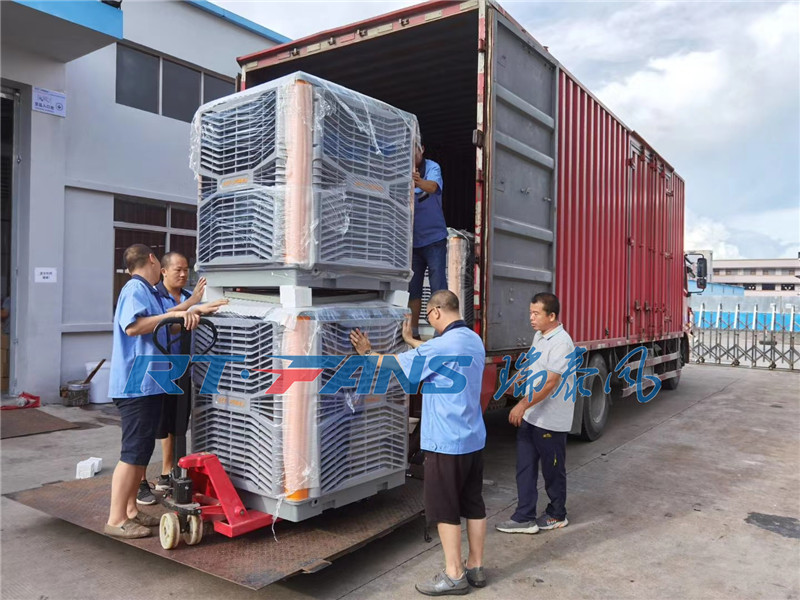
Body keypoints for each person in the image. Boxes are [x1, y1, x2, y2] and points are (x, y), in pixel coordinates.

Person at [351, 290, 487, 595]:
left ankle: (454, 575)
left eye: (429, 318)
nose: (431, 323)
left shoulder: (441, 345)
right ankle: (476, 568)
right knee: (474, 505)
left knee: (445, 510)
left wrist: (367, 353)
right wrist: (412, 340)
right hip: (473, 439)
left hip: (445, 442)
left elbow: (397, 366)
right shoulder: (472, 340)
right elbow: (433, 354)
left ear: (437, 312)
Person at [135, 252, 225, 505]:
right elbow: (159, 322)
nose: (184, 274)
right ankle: (140, 483)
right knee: (149, 429)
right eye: (178, 270)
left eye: (186, 270)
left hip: (183, 369)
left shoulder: (187, 298)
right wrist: (194, 303)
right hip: (155, 370)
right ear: (163, 270)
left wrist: (195, 303)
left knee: (176, 425)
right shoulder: (154, 297)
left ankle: (167, 474)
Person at [496, 293, 575, 535]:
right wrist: (514, 380)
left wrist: (521, 405)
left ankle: (557, 514)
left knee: (552, 470)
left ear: (552, 316)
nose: (531, 318)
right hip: (532, 416)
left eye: (536, 314)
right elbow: (533, 365)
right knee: (525, 467)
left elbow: (550, 382)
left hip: (551, 421)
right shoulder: (539, 336)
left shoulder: (562, 343)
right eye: (530, 313)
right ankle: (524, 517)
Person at [408, 139, 447, 339]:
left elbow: (432, 187)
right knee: (412, 289)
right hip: (411, 242)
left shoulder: (432, 167)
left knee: (438, 287)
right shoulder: (400, 169)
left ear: (422, 149)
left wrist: (416, 181)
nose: (412, 153)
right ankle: (413, 333)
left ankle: (440, 332)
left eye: (415, 148)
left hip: (434, 239)